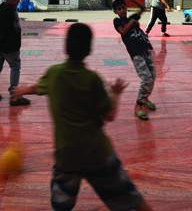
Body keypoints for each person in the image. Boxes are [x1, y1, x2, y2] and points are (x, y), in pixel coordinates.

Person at [13, 23, 154, 211]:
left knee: (61, 206)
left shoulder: (54, 74)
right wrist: (116, 93)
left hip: (67, 157)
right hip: (98, 154)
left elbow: (38, 87)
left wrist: (22, 89)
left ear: (65, 47)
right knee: (131, 198)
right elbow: (110, 116)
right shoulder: (92, 79)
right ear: (89, 50)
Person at [112, 0, 157, 122]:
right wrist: (132, 22)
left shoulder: (132, 17)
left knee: (152, 76)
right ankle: (138, 105)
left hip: (145, 48)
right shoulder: (118, 21)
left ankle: (145, 98)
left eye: (124, 8)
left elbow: (143, 8)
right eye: (119, 9)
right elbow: (123, 32)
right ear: (115, 12)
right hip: (135, 52)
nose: (122, 10)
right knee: (146, 78)